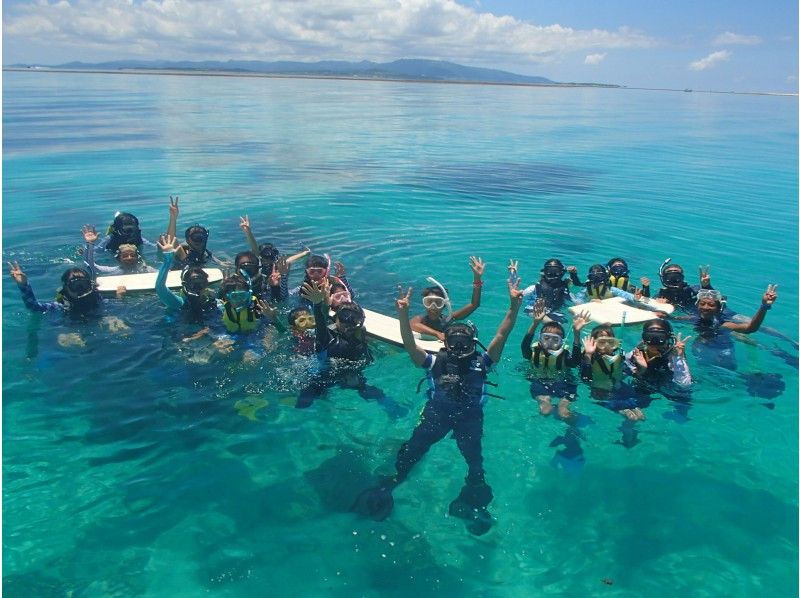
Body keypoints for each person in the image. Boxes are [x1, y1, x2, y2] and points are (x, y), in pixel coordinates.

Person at [352, 277, 523, 535]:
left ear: (473, 343)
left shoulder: (483, 361)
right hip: (437, 417)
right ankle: (389, 486)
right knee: (411, 453)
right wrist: (403, 314)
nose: (459, 346)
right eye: (454, 341)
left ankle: (474, 493)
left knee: (475, 462)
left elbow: (502, 333)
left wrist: (514, 306)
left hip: (468, 420)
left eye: (464, 342)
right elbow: (410, 344)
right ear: (445, 343)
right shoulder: (434, 362)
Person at [296, 280, 396, 413]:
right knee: (304, 403)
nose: (347, 325)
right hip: (324, 377)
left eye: (353, 322)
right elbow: (320, 321)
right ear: (336, 319)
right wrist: (317, 303)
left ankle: (394, 410)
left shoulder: (360, 333)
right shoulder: (327, 338)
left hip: (352, 374)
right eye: (344, 320)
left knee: (376, 393)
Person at [521, 300, 587, 420]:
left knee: (564, 412)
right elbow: (524, 346)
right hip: (540, 383)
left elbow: (576, 362)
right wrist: (535, 323)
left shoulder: (564, 355)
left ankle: (572, 431)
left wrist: (577, 333)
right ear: (540, 339)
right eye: (546, 338)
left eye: (555, 340)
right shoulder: (533, 352)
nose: (550, 343)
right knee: (545, 410)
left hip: (565, 384)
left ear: (561, 342)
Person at [692, 285, 778, 371]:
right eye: (702, 304)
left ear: (719, 309)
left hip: (723, 354)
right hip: (703, 353)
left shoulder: (725, 325)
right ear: (697, 306)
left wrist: (764, 306)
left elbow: (751, 328)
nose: (705, 307)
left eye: (711, 305)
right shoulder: (690, 319)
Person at [625, 319, 692, 419]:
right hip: (645, 385)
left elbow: (684, 385)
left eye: (660, 337)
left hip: (669, 386)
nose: (654, 342)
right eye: (650, 337)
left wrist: (678, 358)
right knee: (632, 411)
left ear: (668, 338)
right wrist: (642, 369)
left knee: (683, 406)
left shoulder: (673, 355)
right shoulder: (636, 354)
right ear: (643, 338)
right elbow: (621, 373)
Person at [410, 256, 485, 340]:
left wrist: (477, 278)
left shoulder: (449, 319)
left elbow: (474, 304)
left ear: (444, 305)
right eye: (429, 302)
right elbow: (413, 325)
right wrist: (437, 333)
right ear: (424, 304)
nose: (433, 306)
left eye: (438, 302)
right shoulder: (421, 320)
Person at [580, 325, 644, 422]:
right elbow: (585, 377)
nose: (606, 346)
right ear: (594, 343)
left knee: (641, 416)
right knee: (632, 417)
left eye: (610, 342)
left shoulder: (619, 356)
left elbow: (629, 372)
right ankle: (626, 434)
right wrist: (588, 354)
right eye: (601, 342)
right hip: (601, 393)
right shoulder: (590, 358)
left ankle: (630, 435)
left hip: (620, 389)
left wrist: (641, 368)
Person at [239, 215, 310, 302]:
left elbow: (290, 259)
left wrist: (305, 253)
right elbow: (254, 249)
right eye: (265, 258)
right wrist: (248, 232)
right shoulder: (258, 263)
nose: (268, 261)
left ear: (274, 257)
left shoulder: (279, 265)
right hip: (261, 292)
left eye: (270, 258)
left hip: (279, 294)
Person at [82, 225, 155, 280]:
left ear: (137, 257)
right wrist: (90, 243)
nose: (129, 258)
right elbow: (90, 266)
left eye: (132, 255)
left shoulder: (146, 269)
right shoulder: (114, 271)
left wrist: (165, 252)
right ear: (119, 258)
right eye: (125, 255)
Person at [519, 258, 580, 322]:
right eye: (549, 272)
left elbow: (577, 302)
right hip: (532, 310)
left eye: (556, 272)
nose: (552, 274)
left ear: (561, 273)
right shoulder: (534, 288)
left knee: (562, 322)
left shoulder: (564, 290)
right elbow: (518, 297)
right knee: (553, 324)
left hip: (555, 312)